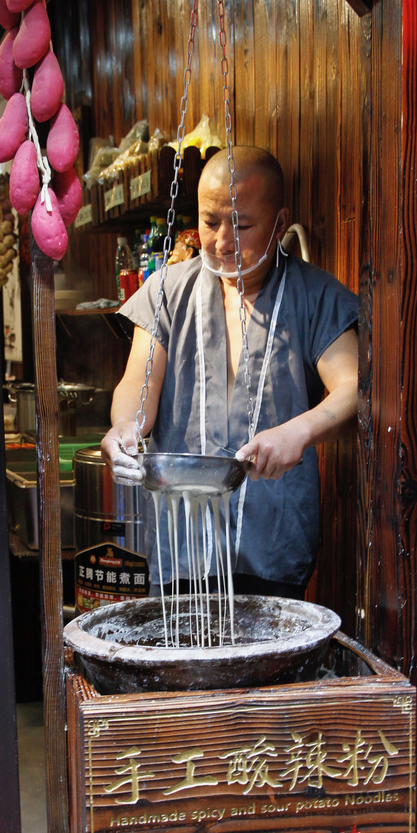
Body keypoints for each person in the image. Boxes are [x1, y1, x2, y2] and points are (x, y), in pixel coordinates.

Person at [100, 146, 359, 598]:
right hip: (181, 547)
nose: (222, 241)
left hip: (273, 545)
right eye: (210, 222)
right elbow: (137, 386)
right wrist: (124, 428)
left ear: (279, 225)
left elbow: (354, 387)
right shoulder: (167, 290)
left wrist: (298, 432)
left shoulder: (314, 295)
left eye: (241, 225)